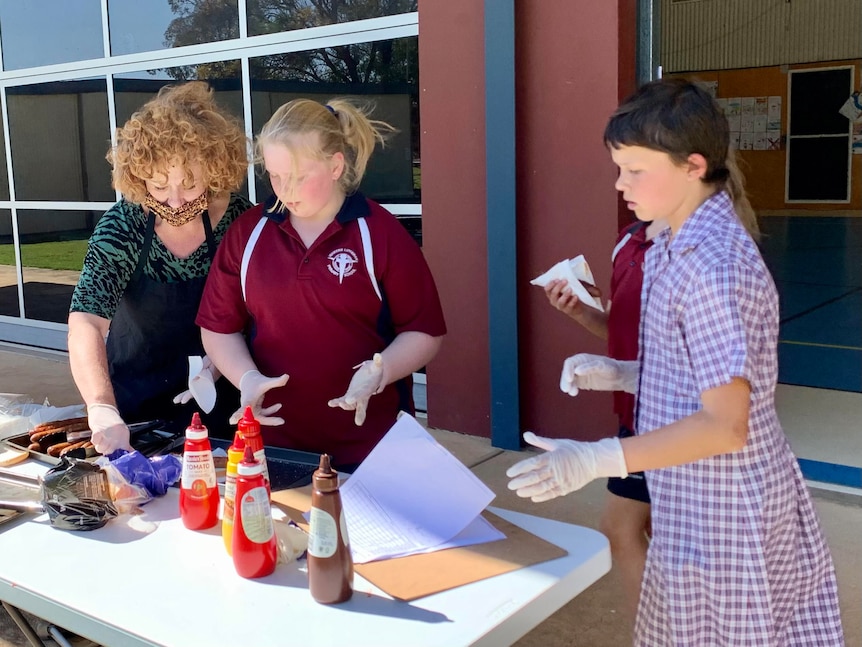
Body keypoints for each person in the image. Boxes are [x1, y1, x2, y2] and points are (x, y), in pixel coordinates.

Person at [507, 78, 845, 645]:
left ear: (692, 165)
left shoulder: (712, 267)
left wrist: (597, 459)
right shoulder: (670, 245)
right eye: (619, 167)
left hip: (728, 510)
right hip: (690, 496)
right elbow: (706, 377)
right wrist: (627, 373)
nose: (621, 184)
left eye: (635, 169)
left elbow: (726, 424)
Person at [197, 98, 446, 472]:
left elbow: (424, 331)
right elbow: (218, 328)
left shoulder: (378, 233)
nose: (284, 190)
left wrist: (381, 371)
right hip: (271, 445)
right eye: (275, 176)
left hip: (370, 448)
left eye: (298, 176)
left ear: (335, 166)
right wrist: (245, 378)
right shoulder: (248, 232)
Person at [68, 81, 252, 454]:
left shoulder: (241, 222)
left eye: (190, 184)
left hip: (225, 406)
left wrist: (224, 365)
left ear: (216, 170)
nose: (174, 198)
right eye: (158, 184)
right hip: (136, 407)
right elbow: (86, 320)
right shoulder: (124, 225)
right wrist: (102, 408)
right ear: (138, 177)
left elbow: (263, 315)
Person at [542, 216, 664, 624]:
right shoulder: (628, 241)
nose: (621, 183)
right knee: (624, 529)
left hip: (677, 423)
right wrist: (580, 311)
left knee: (625, 528)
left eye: (633, 168)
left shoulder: (698, 248)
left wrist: (632, 375)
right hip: (636, 415)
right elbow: (616, 328)